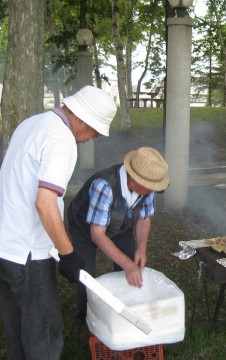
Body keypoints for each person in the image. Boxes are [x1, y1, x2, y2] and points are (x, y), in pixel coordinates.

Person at [0, 85, 116, 359]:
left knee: (17, 335)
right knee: (45, 339)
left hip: (4, 248)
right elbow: (45, 203)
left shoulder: (32, 124)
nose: (93, 138)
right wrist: (69, 254)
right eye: (95, 131)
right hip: (29, 253)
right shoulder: (61, 139)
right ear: (82, 119)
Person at [67, 147, 169, 329]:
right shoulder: (104, 186)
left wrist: (142, 247)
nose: (153, 191)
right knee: (86, 273)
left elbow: (144, 218)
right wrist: (127, 264)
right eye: (150, 187)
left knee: (130, 265)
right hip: (84, 226)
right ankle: (84, 320)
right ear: (135, 180)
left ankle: (126, 311)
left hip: (120, 225)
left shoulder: (148, 186)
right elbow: (97, 234)